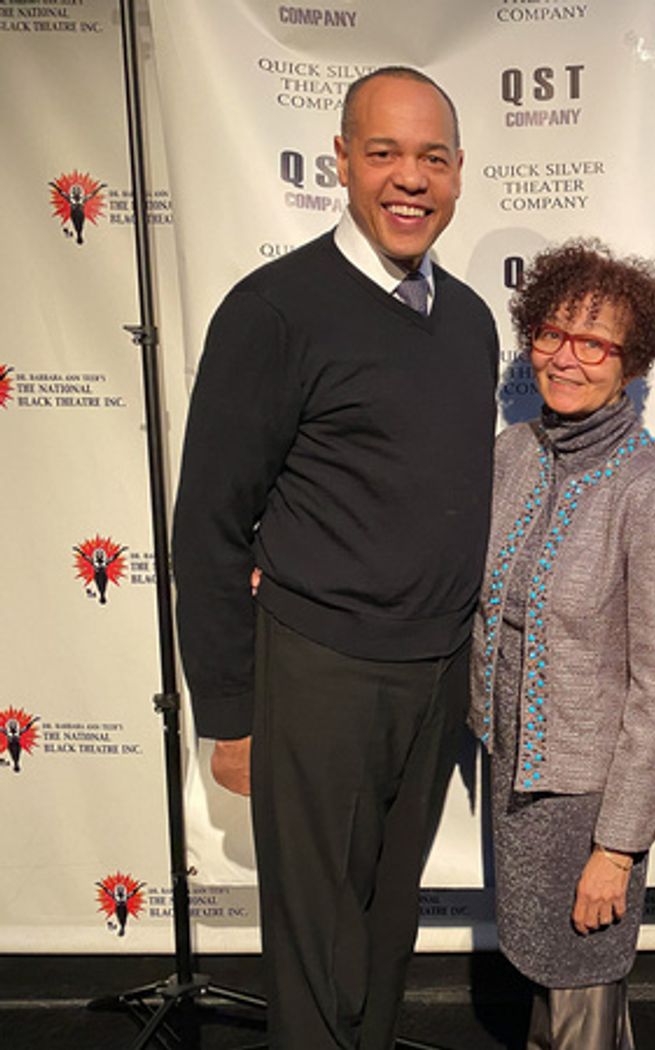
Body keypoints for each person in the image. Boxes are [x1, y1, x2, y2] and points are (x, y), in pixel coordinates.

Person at [172, 67, 498, 1049]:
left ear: (457, 174)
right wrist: (230, 714)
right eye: (386, 152)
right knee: (316, 954)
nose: (410, 178)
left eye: (431, 157)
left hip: (436, 675)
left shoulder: (474, 321)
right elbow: (209, 524)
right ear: (344, 162)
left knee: (385, 931)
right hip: (318, 672)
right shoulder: (274, 311)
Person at [469, 240, 655, 1049]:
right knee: (549, 984)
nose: (566, 360)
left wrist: (618, 847)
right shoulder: (509, 456)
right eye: (551, 335)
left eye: (594, 343)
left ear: (629, 362)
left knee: (582, 1008)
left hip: (589, 803)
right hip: (512, 783)